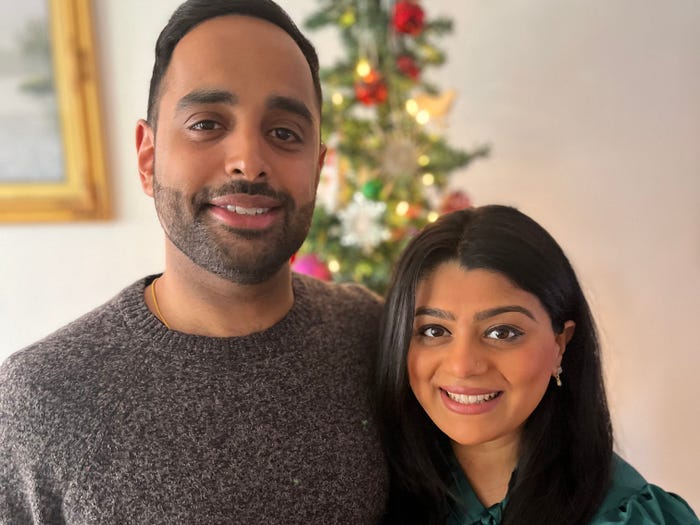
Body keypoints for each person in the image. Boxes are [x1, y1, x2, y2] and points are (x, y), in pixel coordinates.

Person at [0, 1, 388, 522]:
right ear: (148, 156)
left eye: (285, 133)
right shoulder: (39, 398)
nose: (248, 160)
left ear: (318, 167)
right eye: (207, 123)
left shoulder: (378, 338)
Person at [375, 205, 699, 525]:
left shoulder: (632, 518)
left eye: (502, 332)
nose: (462, 366)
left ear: (561, 343)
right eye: (434, 331)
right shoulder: (367, 493)